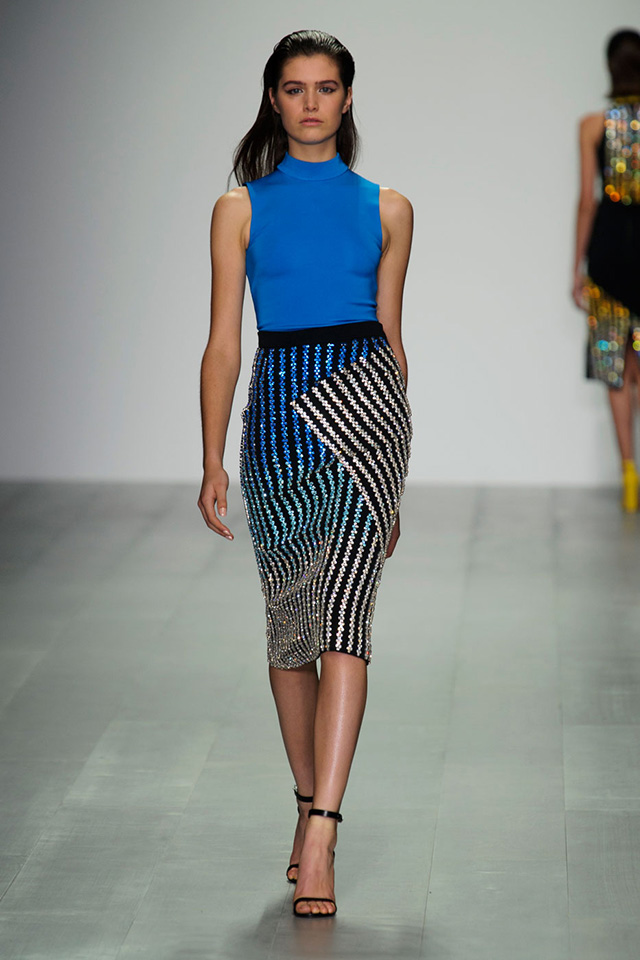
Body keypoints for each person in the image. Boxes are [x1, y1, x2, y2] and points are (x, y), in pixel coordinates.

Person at [197, 30, 413, 917]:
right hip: (279, 418)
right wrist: (210, 457)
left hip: (367, 412)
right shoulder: (238, 209)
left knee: (345, 621)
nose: (312, 102)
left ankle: (323, 828)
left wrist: (396, 477)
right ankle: (305, 800)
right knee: (291, 632)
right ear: (274, 99)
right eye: (295, 88)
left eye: (327, 87)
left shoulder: (389, 207)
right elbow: (223, 343)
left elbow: (393, 339)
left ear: (348, 98)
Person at [573, 29, 640, 512]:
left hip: (611, 252)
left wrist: (576, 267)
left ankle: (628, 472)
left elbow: (587, 200)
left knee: (616, 369)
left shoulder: (594, 125)